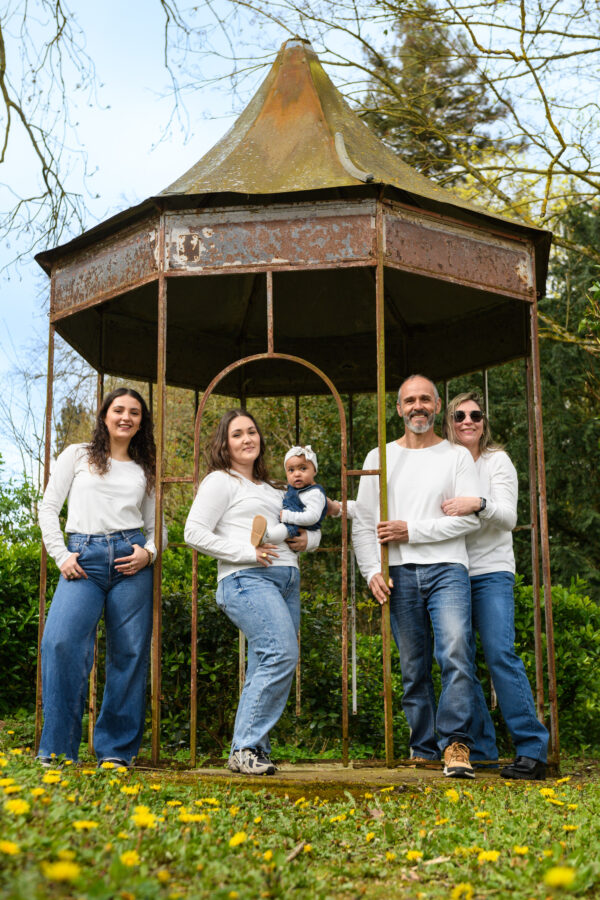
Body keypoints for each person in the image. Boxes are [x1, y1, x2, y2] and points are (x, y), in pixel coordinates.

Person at [352, 374, 481, 778]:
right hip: (399, 573)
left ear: (438, 406)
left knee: (456, 651)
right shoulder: (379, 456)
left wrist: (413, 530)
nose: (417, 407)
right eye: (410, 401)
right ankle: (423, 747)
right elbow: (364, 522)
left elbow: (469, 522)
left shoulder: (457, 456)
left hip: (448, 569)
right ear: (399, 408)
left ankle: (456, 745)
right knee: (412, 665)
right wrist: (371, 568)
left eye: (425, 399)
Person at [184, 409, 320, 776]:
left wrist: (311, 539)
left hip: (287, 581)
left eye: (252, 432)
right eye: (238, 434)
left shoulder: (276, 490)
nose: (248, 439)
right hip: (246, 579)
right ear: (224, 444)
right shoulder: (220, 481)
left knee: (267, 661)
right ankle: (244, 747)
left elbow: (303, 525)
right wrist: (249, 553)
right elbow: (193, 532)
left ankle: (253, 750)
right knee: (281, 652)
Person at [37, 387, 167, 768]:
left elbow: (154, 526)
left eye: (135, 413)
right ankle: (58, 751)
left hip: (131, 561)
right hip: (83, 559)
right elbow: (48, 507)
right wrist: (61, 554)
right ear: (105, 415)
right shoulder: (77, 455)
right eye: (119, 410)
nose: (126, 417)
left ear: (142, 422)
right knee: (60, 643)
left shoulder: (144, 468)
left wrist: (150, 552)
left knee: (129, 653)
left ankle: (115, 753)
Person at [442, 391, 549, 780]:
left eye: (476, 415)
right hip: (450, 572)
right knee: (460, 661)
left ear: (484, 422)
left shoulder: (497, 460)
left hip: (491, 571)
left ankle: (533, 749)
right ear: (449, 423)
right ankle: (484, 749)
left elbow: (508, 516)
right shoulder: (442, 461)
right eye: (459, 415)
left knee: (500, 654)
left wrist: (478, 503)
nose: (468, 421)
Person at [250, 444, 327, 546]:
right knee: (284, 528)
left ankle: (267, 537)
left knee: (285, 529)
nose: (297, 474)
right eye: (291, 470)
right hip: (290, 522)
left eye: (303, 468)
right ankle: (263, 535)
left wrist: (288, 516)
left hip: (299, 526)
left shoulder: (314, 493)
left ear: (314, 471)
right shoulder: (289, 489)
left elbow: (313, 517)